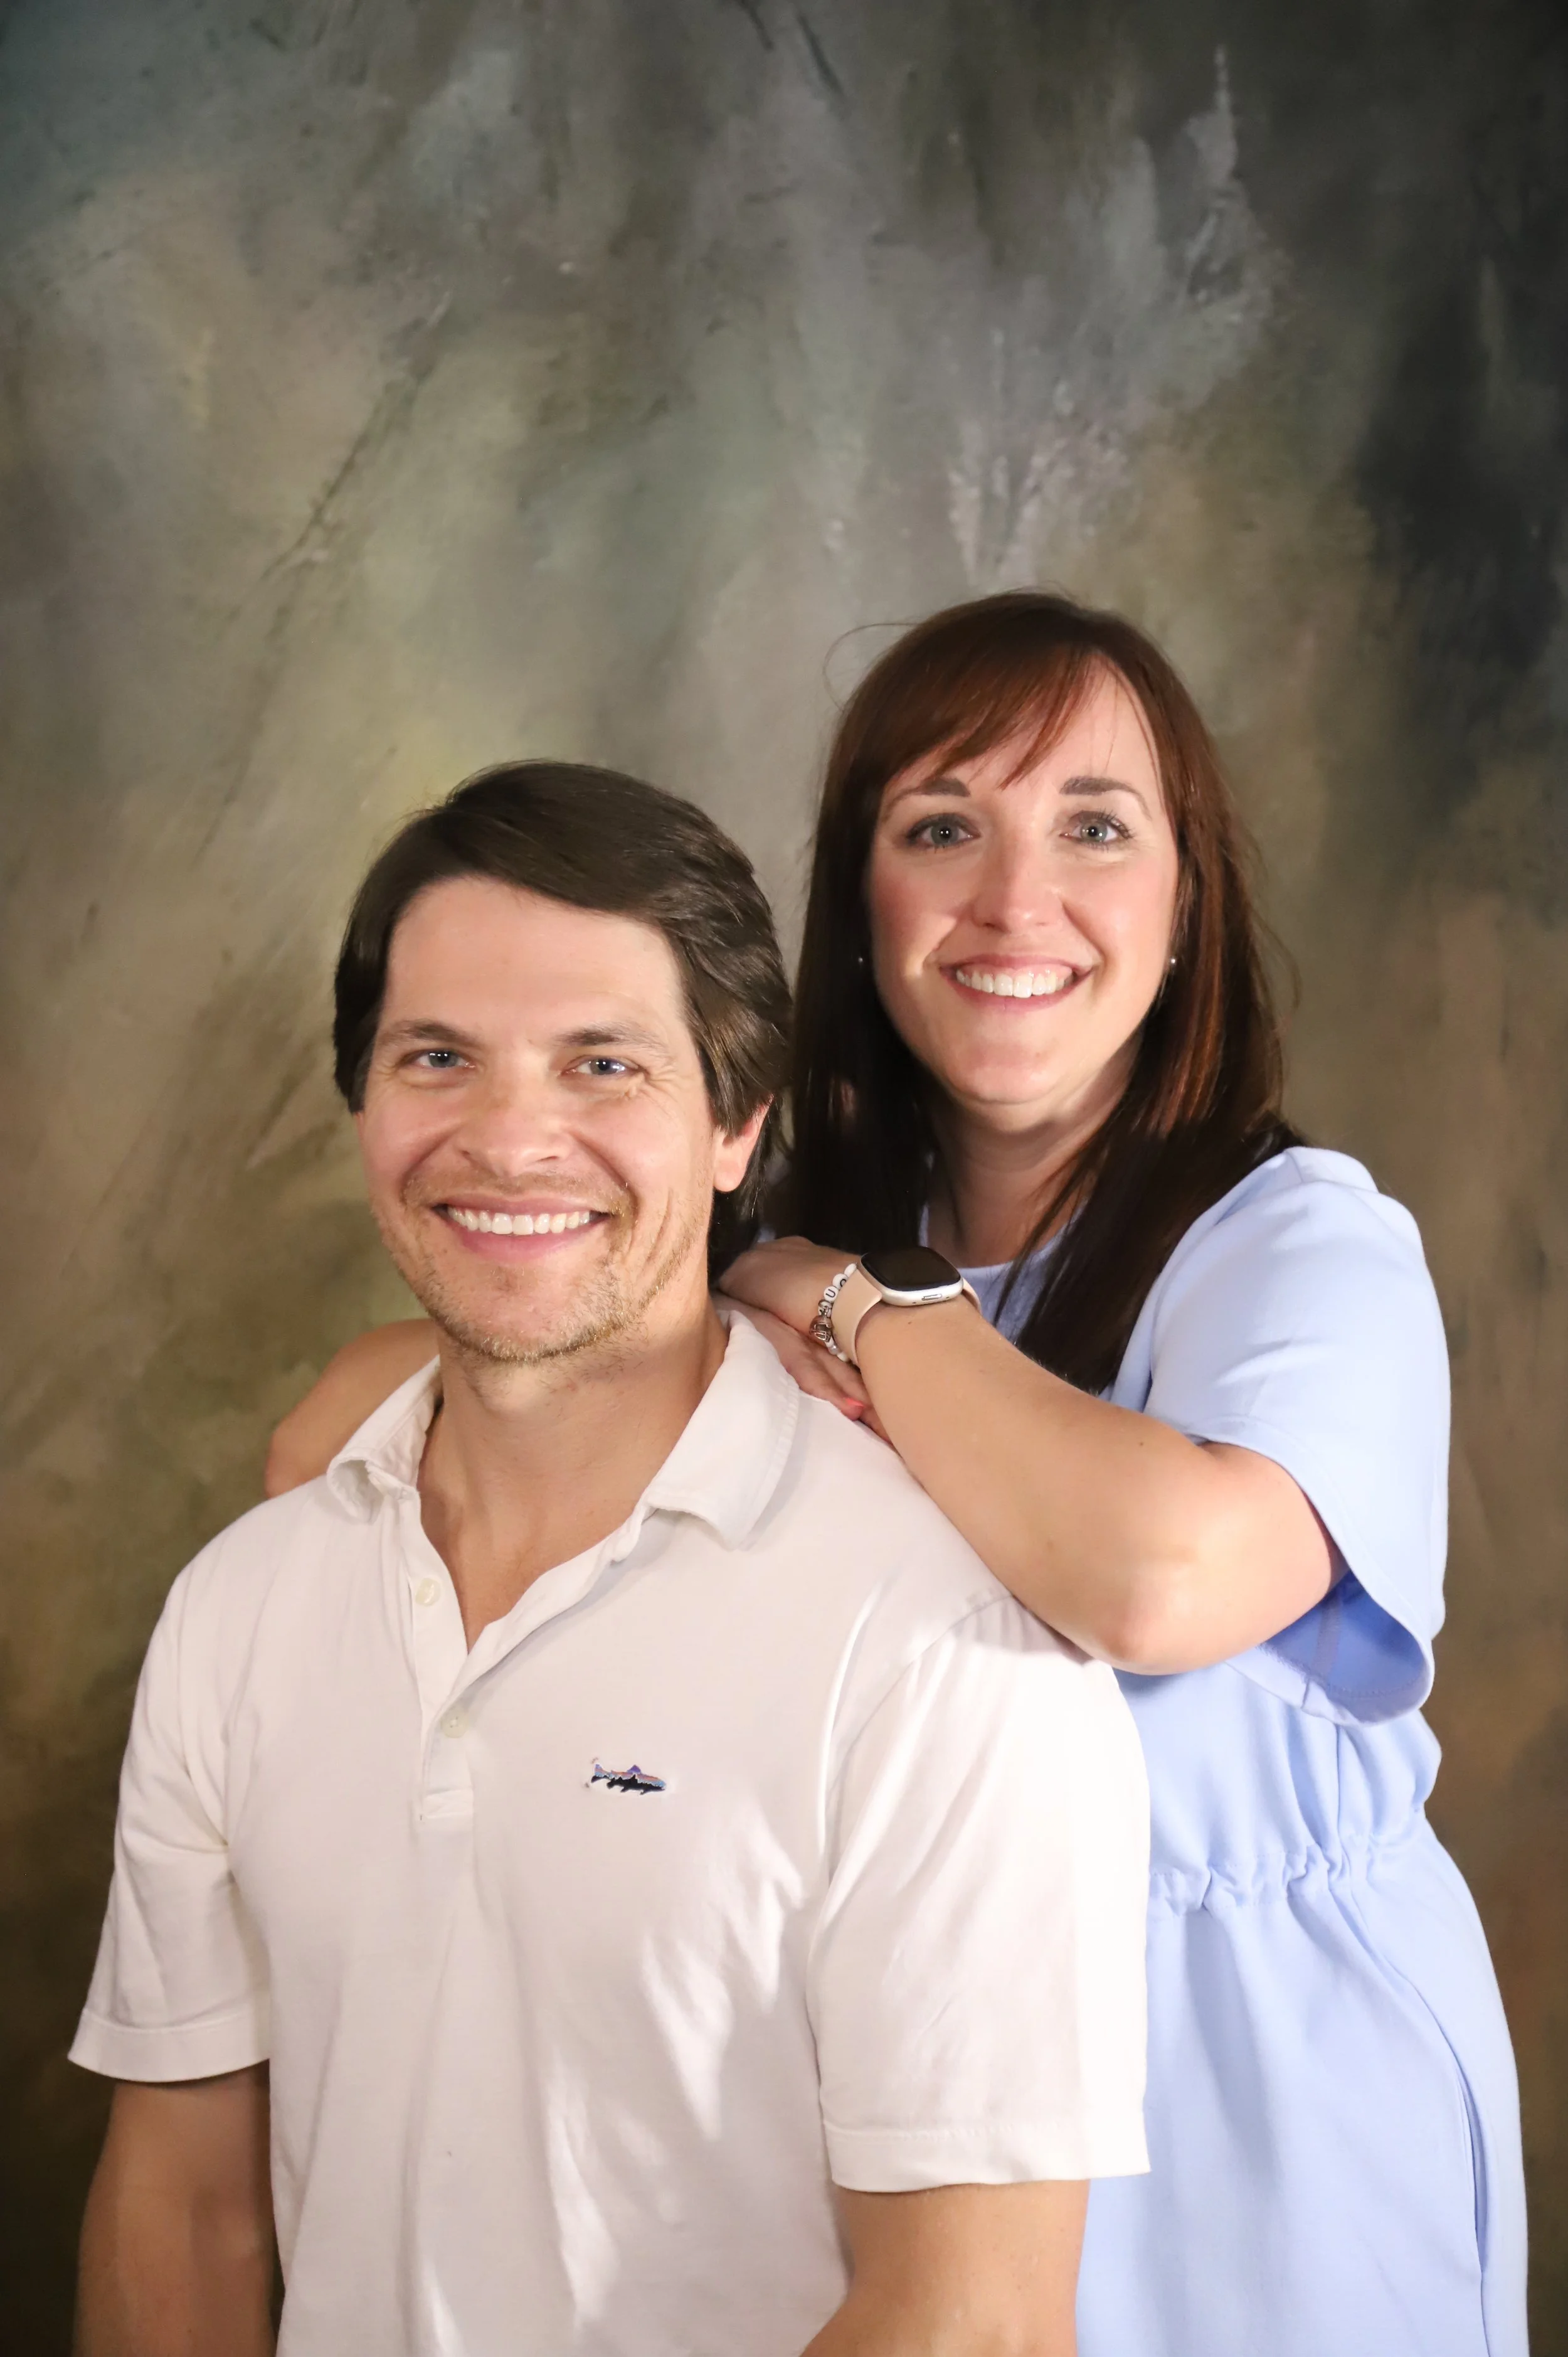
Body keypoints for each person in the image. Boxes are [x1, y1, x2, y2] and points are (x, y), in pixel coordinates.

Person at [273, 597, 1528, 2357]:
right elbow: (319, 1445)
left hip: (1254, 2091)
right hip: (901, 2114)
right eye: (942, 827)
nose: (1017, 901)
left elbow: (1158, 1581)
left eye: (1094, 827)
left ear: (1186, 908)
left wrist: (844, 1300)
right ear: (859, 909)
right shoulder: (779, 1270)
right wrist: (717, 1275)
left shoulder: (1299, 1246)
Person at [71, 759, 1152, 2357]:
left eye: (601, 1066)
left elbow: (965, 2325)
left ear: (735, 1128)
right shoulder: (241, 1607)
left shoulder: (941, 1644)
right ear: (365, 1104)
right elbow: (183, 2213)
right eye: (437, 1056)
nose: (512, 1140)